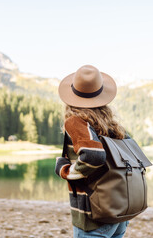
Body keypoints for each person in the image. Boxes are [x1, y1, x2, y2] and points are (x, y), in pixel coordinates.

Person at [55, 65, 129, 238]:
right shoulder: (112, 125)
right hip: (118, 209)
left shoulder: (75, 121)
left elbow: (94, 155)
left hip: (93, 213)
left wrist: (66, 171)